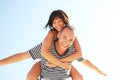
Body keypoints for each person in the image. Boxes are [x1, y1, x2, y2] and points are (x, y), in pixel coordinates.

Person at [0, 10, 107, 80]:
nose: (57, 25)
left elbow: (80, 55)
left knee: (79, 77)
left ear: (65, 21)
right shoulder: (51, 34)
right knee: (30, 76)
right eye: (54, 22)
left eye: (60, 21)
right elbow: (38, 53)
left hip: (65, 65)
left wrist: (98, 70)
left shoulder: (71, 35)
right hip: (45, 65)